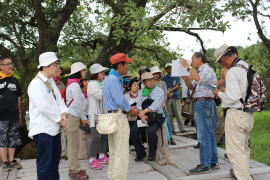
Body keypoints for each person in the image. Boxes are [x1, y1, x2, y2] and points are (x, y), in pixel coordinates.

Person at [213, 45, 254, 180]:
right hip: (248, 113)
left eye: (221, 61)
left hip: (236, 114)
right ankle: (244, 172)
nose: (221, 64)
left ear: (226, 57)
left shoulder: (233, 71)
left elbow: (232, 98)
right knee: (243, 147)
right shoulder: (246, 67)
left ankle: (243, 177)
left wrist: (217, 92)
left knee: (235, 152)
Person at [28, 52, 68, 180]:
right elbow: (43, 106)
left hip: (55, 129)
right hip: (43, 131)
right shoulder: (35, 84)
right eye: (55, 64)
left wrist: (64, 113)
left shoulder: (50, 81)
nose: (58, 67)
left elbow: (59, 100)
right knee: (45, 166)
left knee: (54, 163)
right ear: (45, 66)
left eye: (57, 64)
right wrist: (59, 118)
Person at [180, 52, 218, 174]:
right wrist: (185, 78)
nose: (191, 61)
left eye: (192, 59)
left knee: (203, 134)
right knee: (209, 133)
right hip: (204, 102)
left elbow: (198, 79)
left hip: (204, 103)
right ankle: (212, 160)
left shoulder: (207, 69)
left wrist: (187, 67)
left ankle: (205, 164)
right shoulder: (200, 71)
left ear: (199, 58)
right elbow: (192, 87)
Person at [103, 53, 139, 180]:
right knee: (122, 152)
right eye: (126, 64)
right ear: (120, 65)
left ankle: (113, 177)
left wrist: (128, 108)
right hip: (118, 117)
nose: (128, 67)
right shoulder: (114, 79)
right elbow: (119, 100)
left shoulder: (109, 78)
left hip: (112, 116)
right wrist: (130, 110)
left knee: (114, 152)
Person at [131, 72, 165, 161]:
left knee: (151, 131)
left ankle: (152, 154)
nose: (148, 82)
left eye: (150, 80)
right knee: (133, 131)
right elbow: (138, 104)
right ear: (143, 82)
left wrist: (144, 111)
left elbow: (156, 105)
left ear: (153, 80)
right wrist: (141, 115)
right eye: (145, 81)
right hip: (142, 115)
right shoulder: (141, 92)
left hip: (156, 116)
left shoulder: (159, 91)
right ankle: (140, 152)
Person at [65, 62, 89, 180]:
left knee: (74, 144)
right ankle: (75, 170)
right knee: (73, 145)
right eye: (84, 70)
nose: (85, 72)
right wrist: (83, 118)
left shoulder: (73, 84)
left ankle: (73, 168)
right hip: (73, 116)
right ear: (79, 71)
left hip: (73, 116)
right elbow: (78, 104)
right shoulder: (74, 85)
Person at [0, 55, 22, 171]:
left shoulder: (15, 80)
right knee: (2, 139)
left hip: (13, 115)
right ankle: (5, 162)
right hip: (1, 117)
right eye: (7, 64)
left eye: (11, 63)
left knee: (13, 138)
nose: (10, 66)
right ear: (1, 67)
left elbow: (18, 98)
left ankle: (12, 159)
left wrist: (19, 113)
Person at [87, 63, 109, 170]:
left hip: (104, 114)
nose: (104, 74)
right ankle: (91, 158)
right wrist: (108, 89)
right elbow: (100, 96)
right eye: (102, 72)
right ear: (96, 74)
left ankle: (102, 155)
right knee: (96, 137)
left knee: (104, 135)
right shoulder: (92, 84)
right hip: (95, 114)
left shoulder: (103, 83)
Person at [150, 66, 176, 145]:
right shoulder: (150, 83)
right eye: (154, 74)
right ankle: (161, 139)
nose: (156, 75)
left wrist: (164, 103)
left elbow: (165, 94)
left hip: (163, 105)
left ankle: (170, 137)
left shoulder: (163, 83)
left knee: (167, 121)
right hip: (153, 106)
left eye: (157, 73)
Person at [162, 63, 185, 134]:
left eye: (170, 68)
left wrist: (170, 90)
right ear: (166, 70)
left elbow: (178, 85)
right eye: (168, 68)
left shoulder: (176, 77)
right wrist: (167, 92)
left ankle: (182, 128)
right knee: (169, 114)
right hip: (168, 98)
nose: (169, 69)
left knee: (178, 113)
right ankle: (172, 129)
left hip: (176, 97)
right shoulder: (164, 78)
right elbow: (163, 87)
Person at [53, 66, 68, 159]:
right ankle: (62, 153)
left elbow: (63, 98)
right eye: (58, 70)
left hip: (62, 109)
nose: (59, 72)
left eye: (60, 70)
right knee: (59, 132)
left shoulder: (61, 83)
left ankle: (64, 152)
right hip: (55, 110)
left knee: (63, 132)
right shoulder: (50, 82)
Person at [124, 78, 140, 145]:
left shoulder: (141, 95)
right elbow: (124, 108)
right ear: (130, 86)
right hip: (129, 118)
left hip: (139, 117)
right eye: (134, 85)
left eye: (137, 85)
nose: (137, 86)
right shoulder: (126, 96)